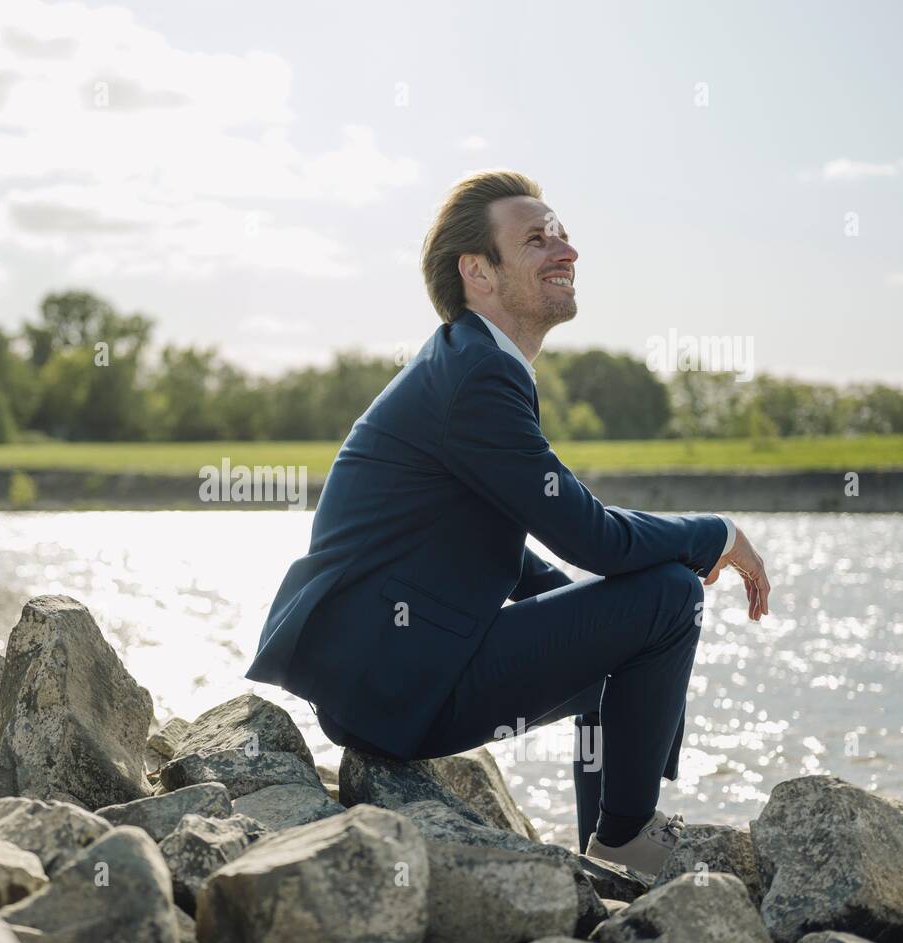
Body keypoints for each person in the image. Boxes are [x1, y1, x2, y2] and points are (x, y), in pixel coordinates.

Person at [244, 170, 770, 876]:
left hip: (380, 676)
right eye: (535, 239)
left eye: (562, 233)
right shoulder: (477, 379)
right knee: (671, 595)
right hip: (395, 681)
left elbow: (486, 539)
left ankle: (611, 851)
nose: (566, 250)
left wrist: (587, 609)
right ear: (478, 272)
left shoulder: (469, 362)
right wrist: (718, 534)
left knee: (623, 618)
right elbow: (594, 538)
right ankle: (625, 838)